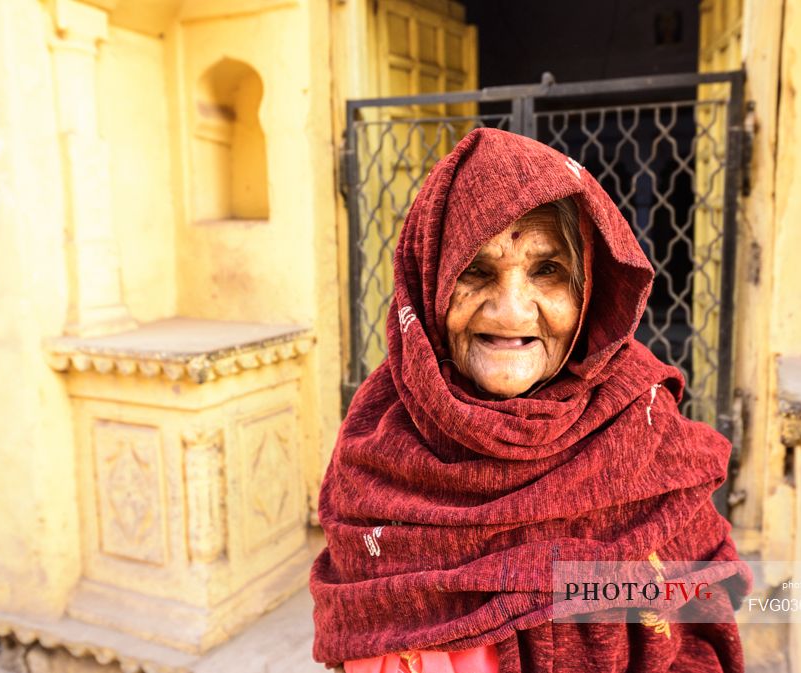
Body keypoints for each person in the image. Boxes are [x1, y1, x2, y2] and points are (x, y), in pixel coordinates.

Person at [309, 128, 751, 673]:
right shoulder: (378, 448)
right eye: (475, 270)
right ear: (429, 283)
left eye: (548, 271)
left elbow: (705, 623)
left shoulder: (644, 432)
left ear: (589, 289)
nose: (512, 313)